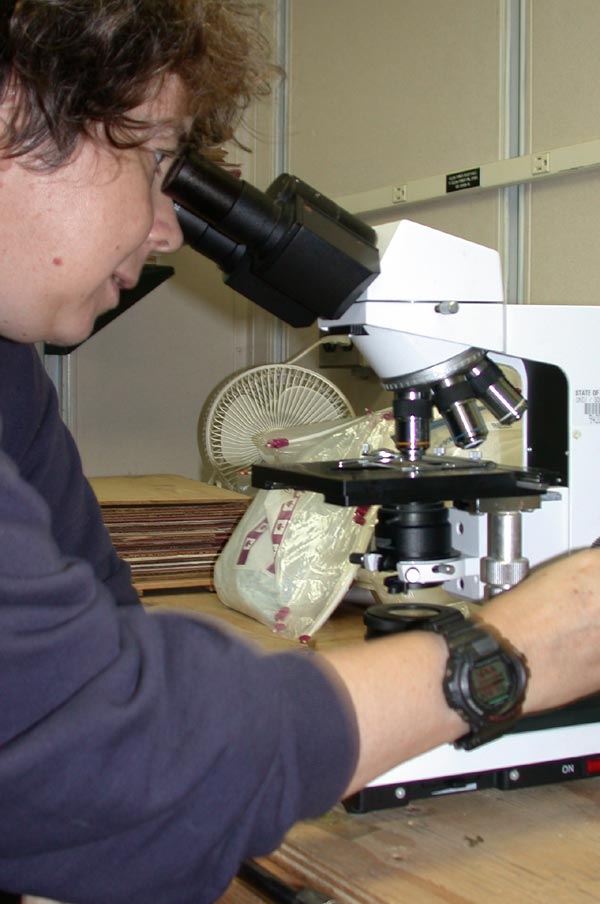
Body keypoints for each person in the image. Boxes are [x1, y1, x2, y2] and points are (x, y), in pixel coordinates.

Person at [1, 2, 600, 903]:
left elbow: (107, 657)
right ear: (14, 103)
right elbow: (104, 765)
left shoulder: (11, 377)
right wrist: (513, 652)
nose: (168, 230)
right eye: (159, 160)